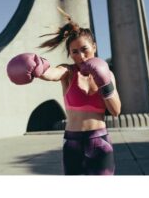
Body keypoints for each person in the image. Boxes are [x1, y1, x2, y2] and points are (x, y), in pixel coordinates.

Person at [6, 9, 121, 175]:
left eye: (84, 49)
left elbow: (116, 110)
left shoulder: (108, 74)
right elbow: (52, 74)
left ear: (94, 47)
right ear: (70, 54)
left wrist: (104, 82)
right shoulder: (68, 72)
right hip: (73, 143)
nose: (81, 56)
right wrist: (39, 68)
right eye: (75, 52)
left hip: (99, 141)